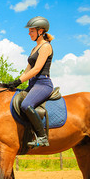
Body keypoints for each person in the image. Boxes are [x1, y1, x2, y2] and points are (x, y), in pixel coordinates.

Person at [6, 16, 54, 148]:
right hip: (32, 84)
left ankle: (43, 137)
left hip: (43, 84)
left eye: (31, 31)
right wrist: (15, 83)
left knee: (26, 104)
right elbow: (27, 70)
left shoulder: (45, 47)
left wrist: (19, 81)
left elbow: (37, 69)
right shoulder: (34, 49)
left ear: (41, 31)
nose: (29, 33)